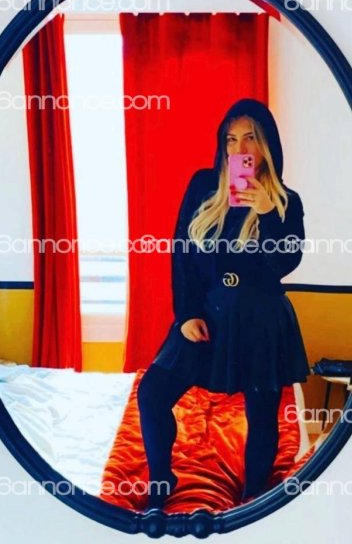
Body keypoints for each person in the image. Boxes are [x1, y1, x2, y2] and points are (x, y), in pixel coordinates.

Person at [136, 98, 311, 511]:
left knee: (262, 414)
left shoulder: (287, 201)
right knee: (152, 393)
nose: (240, 149)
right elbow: (182, 252)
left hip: (261, 318)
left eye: (250, 138)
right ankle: (161, 482)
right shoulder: (203, 185)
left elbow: (283, 264)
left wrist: (268, 215)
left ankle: (253, 501)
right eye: (231, 140)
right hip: (208, 315)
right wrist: (186, 314)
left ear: (267, 144)